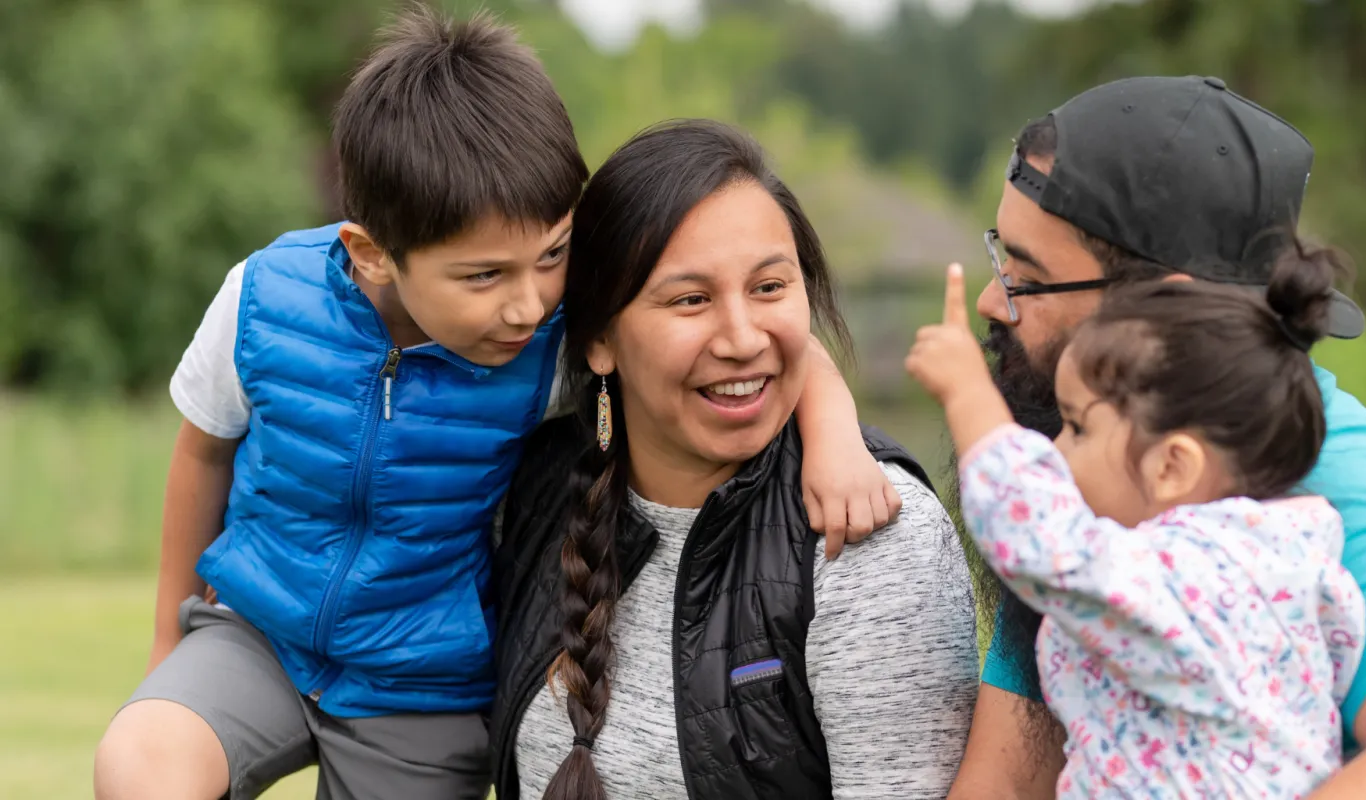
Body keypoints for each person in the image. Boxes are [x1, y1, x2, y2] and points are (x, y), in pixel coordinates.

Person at [91, 11, 897, 800]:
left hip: (421, 681)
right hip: (258, 632)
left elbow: (761, 342)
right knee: (139, 765)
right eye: (484, 276)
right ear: (372, 253)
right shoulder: (263, 301)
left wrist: (833, 437)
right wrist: (170, 642)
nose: (527, 302)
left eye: (552, 255)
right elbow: (203, 451)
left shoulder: (550, 341)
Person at [947, 76, 1366, 799]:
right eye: (1001, 258)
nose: (991, 301)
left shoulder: (1328, 481)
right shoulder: (1093, 472)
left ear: (1163, 307)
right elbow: (1006, 780)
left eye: (1026, 277)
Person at [487, 119, 978, 800]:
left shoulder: (869, 538)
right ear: (599, 338)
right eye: (691, 300)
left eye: (770, 287)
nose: (744, 338)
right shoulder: (532, 491)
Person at [910, 247, 1366, 797]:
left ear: (1172, 467)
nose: (1055, 449)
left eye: (1077, 428)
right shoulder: (1292, 563)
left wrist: (968, 396)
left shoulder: (1194, 576)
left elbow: (1041, 537)